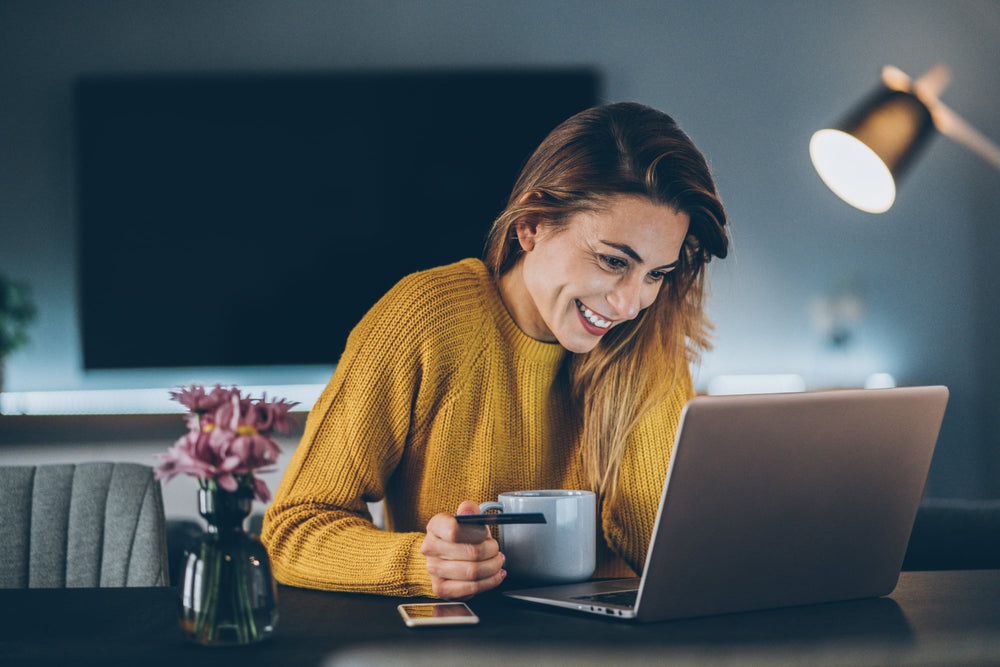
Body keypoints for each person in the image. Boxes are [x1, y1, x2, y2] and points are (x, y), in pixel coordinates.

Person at [261, 101, 729, 600]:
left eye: (656, 273)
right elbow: (295, 529)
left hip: (616, 648)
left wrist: (638, 375)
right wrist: (422, 562)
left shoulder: (646, 337)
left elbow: (670, 559)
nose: (630, 302)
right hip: (467, 646)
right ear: (531, 225)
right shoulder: (426, 318)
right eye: (614, 260)